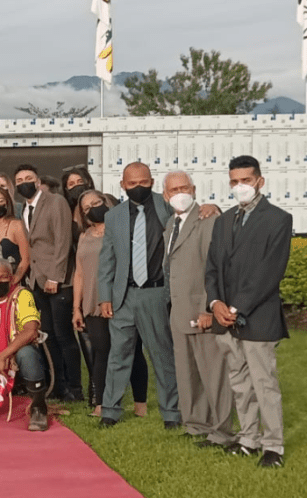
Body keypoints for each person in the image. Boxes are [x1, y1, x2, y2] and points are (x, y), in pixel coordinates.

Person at [206, 156, 292, 468]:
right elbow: (212, 267)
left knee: (263, 383)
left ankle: (273, 446)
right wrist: (215, 303)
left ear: (260, 181)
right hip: (225, 318)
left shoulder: (278, 219)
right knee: (240, 382)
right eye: (234, 181)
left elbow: (269, 272)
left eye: (246, 180)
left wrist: (236, 307)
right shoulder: (224, 220)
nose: (240, 186)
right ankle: (248, 439)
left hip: (258, 316)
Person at [96, 162, 180, 428]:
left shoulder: (167, 206)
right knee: (118, 356)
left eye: (143, 182)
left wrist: (209, 207)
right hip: (124, 296)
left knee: (162, 356)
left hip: (156, 292)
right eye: (132, 184)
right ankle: (110, 410)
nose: (138, 187)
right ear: (123, 185)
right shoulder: (114, 216)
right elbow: (107, 259)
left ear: (152, 181)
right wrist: (105, 296)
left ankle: (171, 413)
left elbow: (191, 216)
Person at [161, 171, 235, 446]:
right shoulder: (171, 223)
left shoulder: (208, 219)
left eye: (185, 188)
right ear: (165, 195)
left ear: (193, 189)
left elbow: (216, 268)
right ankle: (195, 424)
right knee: (187, 373)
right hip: (179, 310)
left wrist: (209, 307)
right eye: (174, 190)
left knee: (214, 374)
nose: (180, 193)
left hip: (202, 310)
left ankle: (222, 430)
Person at [72, 190, 149, 417]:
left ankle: (140, 404)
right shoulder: (84, 236)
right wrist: (76, 308)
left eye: (96, 203)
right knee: (101, 351)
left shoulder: (124, 229)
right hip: (93, 303)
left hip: (122, 299)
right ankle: (101, 403)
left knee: (132, 350)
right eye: (87, 208)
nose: (93, 209)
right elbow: (79, 273)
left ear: (106, 202)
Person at [15, 163, 83, 402]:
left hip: (58, 281)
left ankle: (75, 388)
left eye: (28, 178)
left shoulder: (55, 202)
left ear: (37, 181)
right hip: (37, 281)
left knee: (65, 336)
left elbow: (63, 241)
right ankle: (57, 385)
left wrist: (56, 276)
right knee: (49, 336)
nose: (24, 182)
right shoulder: (24, 209)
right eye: (19, 180)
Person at [0, 258, 49, 431]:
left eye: (3, 277)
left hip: (13, 359)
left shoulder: (22, 295)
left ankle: (38, 407)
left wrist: (4, 355)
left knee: (27, 354)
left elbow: (31, 331)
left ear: (12, 278)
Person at [0, 188, 29, 284]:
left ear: (7, 203)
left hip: (17, 282)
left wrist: (15, 280)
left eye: (0, 201)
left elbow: (26, 259)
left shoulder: (16, 225)